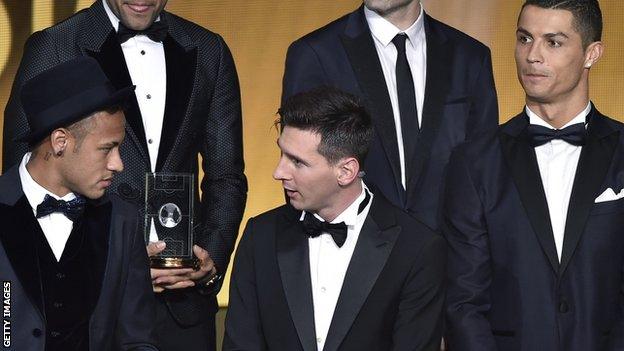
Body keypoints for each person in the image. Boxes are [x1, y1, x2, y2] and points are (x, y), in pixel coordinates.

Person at [2, 1, 247, 350]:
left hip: (183, 304)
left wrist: (209, 259)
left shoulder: (209, 50)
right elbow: (24, 172)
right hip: (87, 298)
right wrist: (113, 263)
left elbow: (227, 174)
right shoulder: (55, 44)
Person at [443, 1, 624, 350]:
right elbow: (464, 302)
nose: (532, 56)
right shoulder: (474, 162)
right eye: (525, 39)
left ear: (592, 53)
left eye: (553, 42)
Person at [224, 87, 446, 351]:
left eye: (297, 162)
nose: (278, 172)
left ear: (346, 171)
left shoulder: (417, 249)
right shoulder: (259, 237)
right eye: (282, 154)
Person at [282, 0, 498, 231]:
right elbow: (299, 168)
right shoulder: (315, 54)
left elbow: (485, 174)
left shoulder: (471, 57)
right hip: (352, 254)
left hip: (449, 255)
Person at [0, 57, 157, 351]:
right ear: (60, 142)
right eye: (107, 148)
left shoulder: (123, 220)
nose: (118, 164)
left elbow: (137, 340)